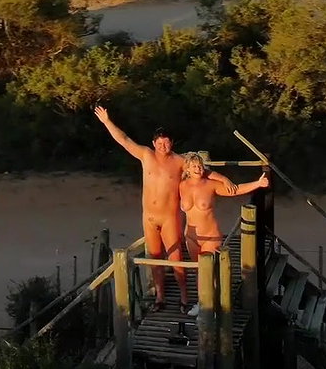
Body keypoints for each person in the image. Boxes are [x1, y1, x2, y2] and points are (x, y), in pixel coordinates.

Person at [93, 105, 236, 312]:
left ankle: (184, 297)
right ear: (154, 143)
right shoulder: (146, 155)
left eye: (166, 142)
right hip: (149, 218)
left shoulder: (180, 161)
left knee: (176, 260)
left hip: (170, 217)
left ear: (172, 143)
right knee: (154, 257)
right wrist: (107, 121)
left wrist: (224, 178)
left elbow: (203, 171)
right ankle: (160, 297)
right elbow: (124, 140)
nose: (163, 146)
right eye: (159, 143)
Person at [179, 152, 269, 312]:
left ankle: (213, 304)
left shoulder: (210, 185)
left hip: (210, 235)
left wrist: (258, 183)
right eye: (194, 166)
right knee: (198, 270)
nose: (198, 168)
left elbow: (234, 190)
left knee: (210, 271)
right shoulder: (181, 185)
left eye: (200, 166)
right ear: (187, 169)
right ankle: (202, 303)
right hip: (191, 236)